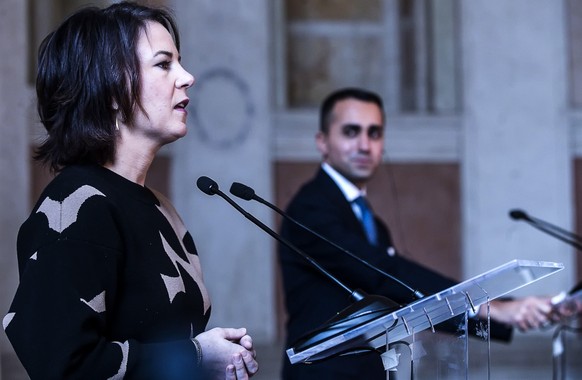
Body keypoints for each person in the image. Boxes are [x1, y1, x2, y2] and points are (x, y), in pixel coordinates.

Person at [2, 2, 258, 379]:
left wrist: (216, 363)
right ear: (110, 90)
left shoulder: (159, 207)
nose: (187, 77)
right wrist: (197, 355)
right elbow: (64, 365)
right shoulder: (75, 204)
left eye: (180, 62)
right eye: (163, 63)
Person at [278, 87, 553, 379]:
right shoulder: (310, 208)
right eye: (350, 132)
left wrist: (506, 312)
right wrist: (488, 308)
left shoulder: (372, 222)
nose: (364, 145)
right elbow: (382, 275)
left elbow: (405, 299)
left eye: (374, 133)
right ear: (322, 142)